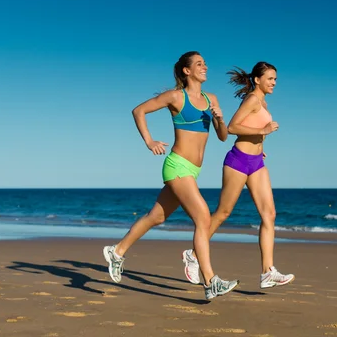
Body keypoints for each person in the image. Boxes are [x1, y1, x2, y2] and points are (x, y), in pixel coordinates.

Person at [102, 51, 239, 300]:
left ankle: (117, 251)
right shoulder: (177, 96)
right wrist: (149, 141)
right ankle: (211, 282)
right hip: (177, 166)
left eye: (205, 63)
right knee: (203, 218)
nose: (205, 66)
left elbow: (222, 136)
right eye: (199, 64)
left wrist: (219, 119)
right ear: (187, 71)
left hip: (193, 170)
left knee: (156, 216)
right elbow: (138, 111)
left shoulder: (212, 99)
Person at [181, 61, 295, 289]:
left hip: (257, 162)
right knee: (223, 213)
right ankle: (193, 254)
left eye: (275, 79)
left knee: (269, 214)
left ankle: (267, 272)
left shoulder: (262, 101)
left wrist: (260, 145)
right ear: (257, 80)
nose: (274, 83)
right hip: (238, 161)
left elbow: (250, 129)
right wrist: (262, 131)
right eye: (270, 78)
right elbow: (232, 127)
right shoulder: (252, 99)